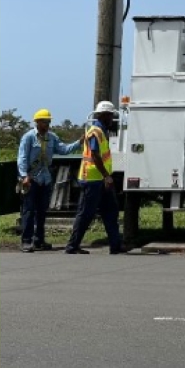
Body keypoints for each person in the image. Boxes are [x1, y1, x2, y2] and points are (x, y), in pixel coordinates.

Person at [17, 108, 81, 252]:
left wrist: (78, 143)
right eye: (45, 121)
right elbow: (22, 158)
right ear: (38, 122)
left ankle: (39, 240)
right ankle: (26, 241)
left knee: (42, 211)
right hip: (31, 179)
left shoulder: (52, 137)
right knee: (28, 211)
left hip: (45, 179)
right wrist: (24, 176)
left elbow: (63, 150)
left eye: (49, 121)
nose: (47, 124)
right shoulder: (28, 137)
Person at [64, 101, 124, 255]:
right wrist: (106, 176)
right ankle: (72, 246)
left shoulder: (102, 131)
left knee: (111, 212)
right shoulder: (95, 131)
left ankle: (115, 246)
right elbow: (95, 155)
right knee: (85, 213)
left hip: (101, 179)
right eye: (110, 115)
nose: (112, 118)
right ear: (104, 115)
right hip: (92, 179)